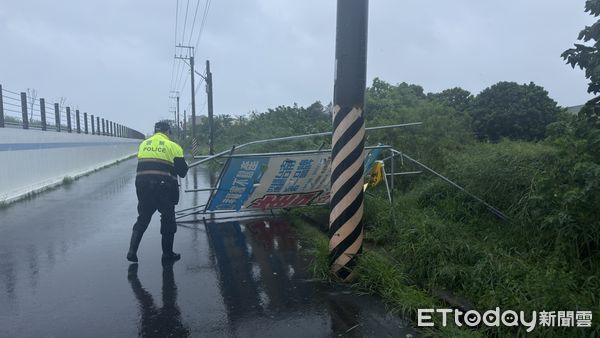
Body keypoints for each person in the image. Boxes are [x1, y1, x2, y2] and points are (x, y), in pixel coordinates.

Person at [127, 121, 188, 262]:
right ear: (167, 132)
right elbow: (182, 172)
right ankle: (167, 255)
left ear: (155, 132)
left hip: (142, 184)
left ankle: (132, 252)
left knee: (143, 217)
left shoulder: (144, 144)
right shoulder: (173, 146)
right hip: (163, 186)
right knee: (168, 219)